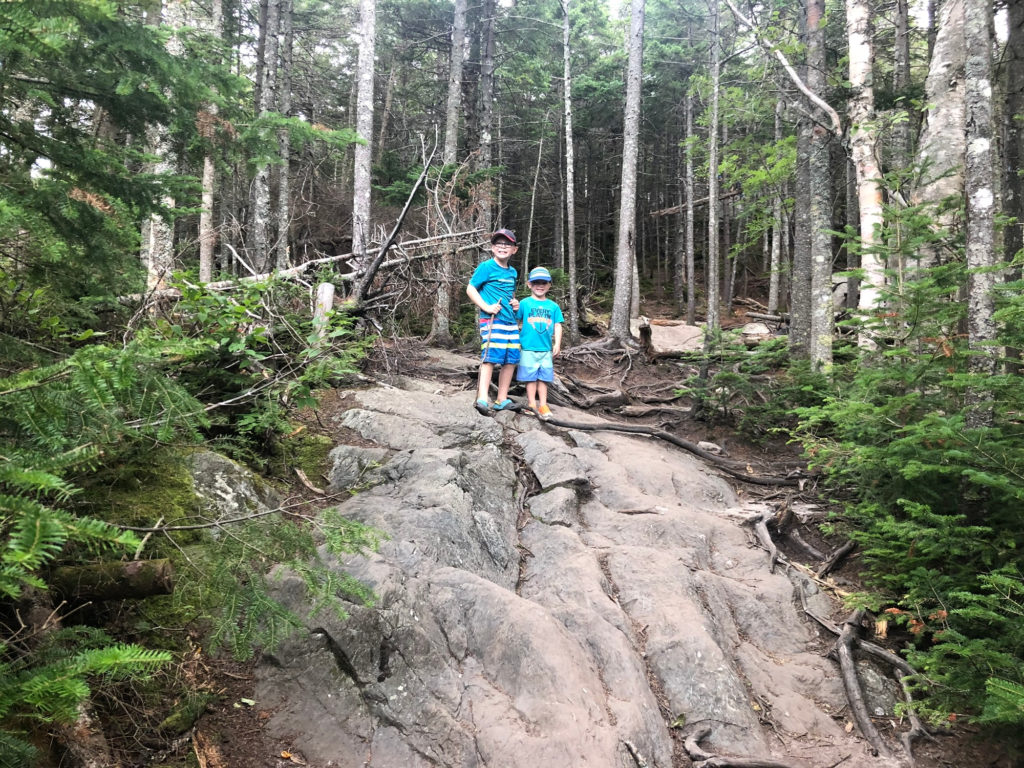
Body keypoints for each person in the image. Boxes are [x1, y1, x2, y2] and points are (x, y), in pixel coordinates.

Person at [467, 229, 521, 414]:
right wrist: (486, 306)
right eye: (499, 243)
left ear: (514, 249)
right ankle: (482, 398)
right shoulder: (486, 267)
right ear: (492, 248)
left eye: (507, 244)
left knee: (510, 360)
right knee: (490, 358)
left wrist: (515, 303)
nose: (503, 247)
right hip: (492, 320)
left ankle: (501, 399)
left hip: (510, 321)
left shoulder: (513, 272)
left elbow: (510, 293)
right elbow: (471, 289)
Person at [515, 266, 563, 420]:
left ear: (549, 285)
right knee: (530, 378)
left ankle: (543, 404)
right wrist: (515, 341)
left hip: (545, 349)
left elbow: (557, 325)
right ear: (529, 284)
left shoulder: (553, 306)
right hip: (528, 347)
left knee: (544, 378)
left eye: (544, 282)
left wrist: (557, 344)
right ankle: (531, 405)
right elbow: (515, 321)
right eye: (536, 282)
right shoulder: (524, 303)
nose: (540, 285)